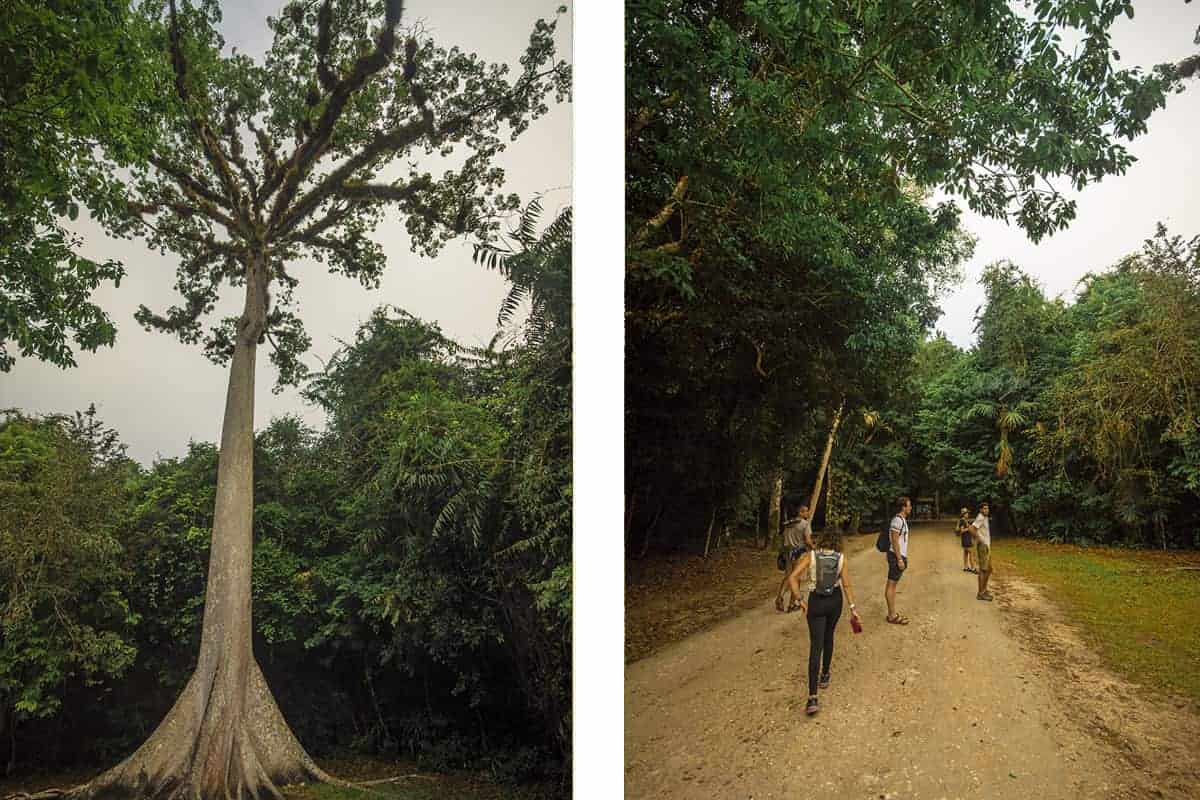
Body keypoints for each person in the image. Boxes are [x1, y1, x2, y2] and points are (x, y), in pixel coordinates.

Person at [777, 527, 861, 715]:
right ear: (839, 542)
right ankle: (825, 674)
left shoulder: (810, 556)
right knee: (828, 636)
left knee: (816, 646)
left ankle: (812, 697)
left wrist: (799, 600)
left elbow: (792, 578)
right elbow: (846, 585)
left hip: (816, 602)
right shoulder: (841, 558)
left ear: (821, 539)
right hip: (835, 601)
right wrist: (853, 609)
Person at [775, 503, 814, 612]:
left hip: (787, 552)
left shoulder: (788, 524)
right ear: (801, 512)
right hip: (799, 553)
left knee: (788, 576)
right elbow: (807, 541)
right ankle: (792, 604)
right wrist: (814, 548)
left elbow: (783, 539)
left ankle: (780, 597)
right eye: (806, 511)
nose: (808, 513)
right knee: (796, 577)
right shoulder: (805, 524)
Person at [884, 496, 911, 624]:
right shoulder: (897, 521)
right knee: (891, 585)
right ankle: (892, 615)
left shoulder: (902, 520)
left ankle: (892, 613)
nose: (910, 508)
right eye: (909, 505)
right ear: (903, 507)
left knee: (893, 585)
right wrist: (899, 559)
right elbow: (894, 540)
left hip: (898, 555)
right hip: (895, 556)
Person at [969, 502, 994, 601]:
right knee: (983, 570)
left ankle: (984, 589)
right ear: (980, 510)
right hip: (983, 547)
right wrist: (979, 538)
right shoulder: (980, 517)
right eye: (984, 509)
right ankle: (981, 593)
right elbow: (972, 529)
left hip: (987, 546)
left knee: (989, 569)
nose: (986, 510)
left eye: (987, 508)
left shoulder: (985, 517)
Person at [957, 508, 977, 573]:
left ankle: (965, 567)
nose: (968, 514)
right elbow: (962, 530)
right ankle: (973, 568)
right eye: (967, 513)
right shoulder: (963, 521)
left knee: (966, 553)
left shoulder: (964, 520)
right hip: (966, 539)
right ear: (964, 514)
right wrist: (968, 528)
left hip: (965, 539)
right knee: (971, 553)